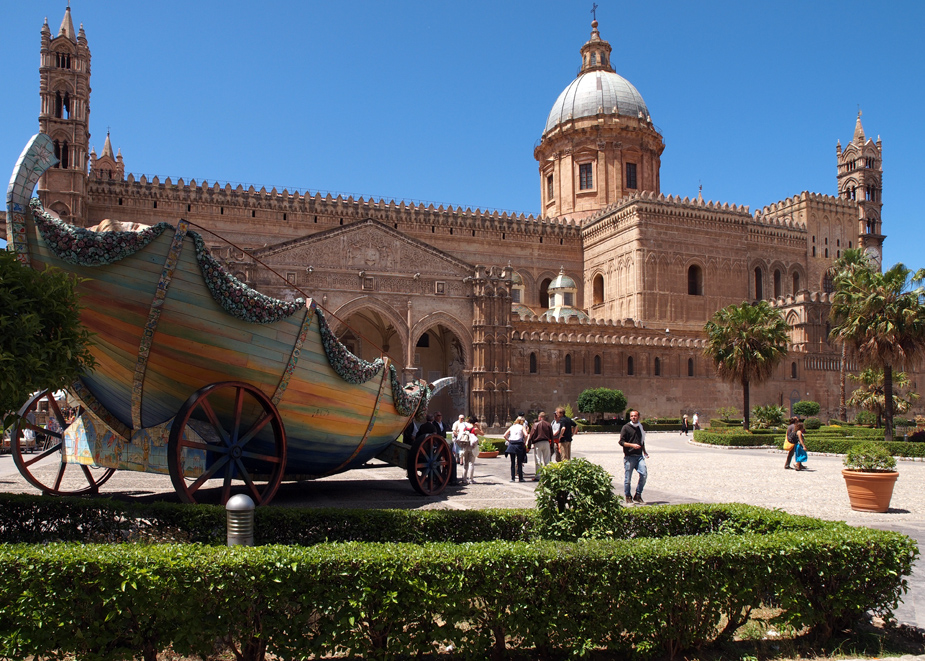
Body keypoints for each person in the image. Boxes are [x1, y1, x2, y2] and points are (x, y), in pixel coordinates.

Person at [619, 409, 649, 504]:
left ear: (638, 417)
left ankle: (638, 495)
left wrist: (645, 452)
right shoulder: (626, 427)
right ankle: (628, 496)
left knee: (644, 474)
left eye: (635, 416)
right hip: (629, 456)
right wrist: (632, 445)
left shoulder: (640, 427)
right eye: (632, 416)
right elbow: (621, 442)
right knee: (628, 479)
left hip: (639, 456)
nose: (633, 417)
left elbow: (642, 441)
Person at [527, 411, 554, 480]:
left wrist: (529, 445)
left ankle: (538, 476)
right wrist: (552, 446)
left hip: (538, 443)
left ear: (539, 417)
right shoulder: (548, 424)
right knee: (547, 459)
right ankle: (548, 474)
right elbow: (552, 436)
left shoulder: (535, 425)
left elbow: (531, 435)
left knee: (538, 459)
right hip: (546, 442)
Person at [503, 416, 528, 482]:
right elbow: (526, 435)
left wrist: (509, 441)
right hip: (519, 444)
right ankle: (521, 478)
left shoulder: (512, 427)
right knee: (519, 462)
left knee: (512, 462)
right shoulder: (522, 427)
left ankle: (512, 478)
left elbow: (504, 435)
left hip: (512, 444)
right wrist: (524, 442)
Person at [460, 416, 483, 484]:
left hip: (465, 446)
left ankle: (464, 478)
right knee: (471, 463)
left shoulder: (465, 428)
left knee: (465, 463)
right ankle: (471, 479)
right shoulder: (474, 429)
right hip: (472, 447)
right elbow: (482, 433)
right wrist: (478, 427)